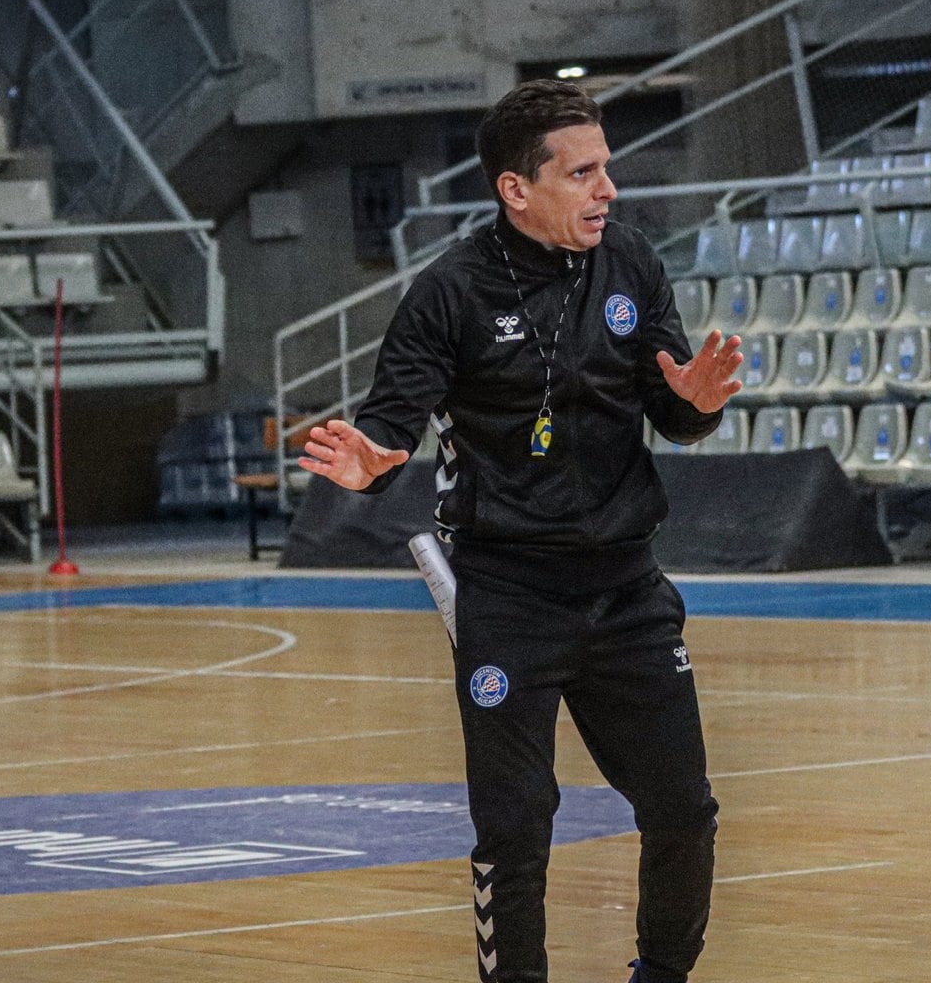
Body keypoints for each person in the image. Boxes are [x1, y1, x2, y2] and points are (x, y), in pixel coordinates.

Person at [299, 79, 743, 983]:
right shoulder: (450, 291)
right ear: (516, 188)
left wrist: (694, 408)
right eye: (582, 174)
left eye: (605, 169)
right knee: (513, 830)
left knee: (684, 808)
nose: (606, 190)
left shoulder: (631, 264)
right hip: (508, 597)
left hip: (628, 594)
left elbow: (672, 403)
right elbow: (393, 416)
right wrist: (373, 455)